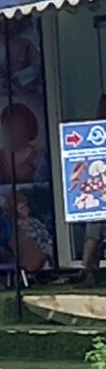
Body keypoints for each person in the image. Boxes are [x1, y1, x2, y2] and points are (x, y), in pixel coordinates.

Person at [0, 102, 50, 185]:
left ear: (29, 130)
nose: (13, 133)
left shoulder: (39, 157)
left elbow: (44, 187)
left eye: (19, 128)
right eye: (9, 128)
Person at [81, 94, 106, 287]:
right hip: (97, 195)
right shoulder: (91, 137)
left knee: (93, 236)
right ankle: (88, 273)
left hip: (97, 195)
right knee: (93, 235)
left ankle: (89, 273)